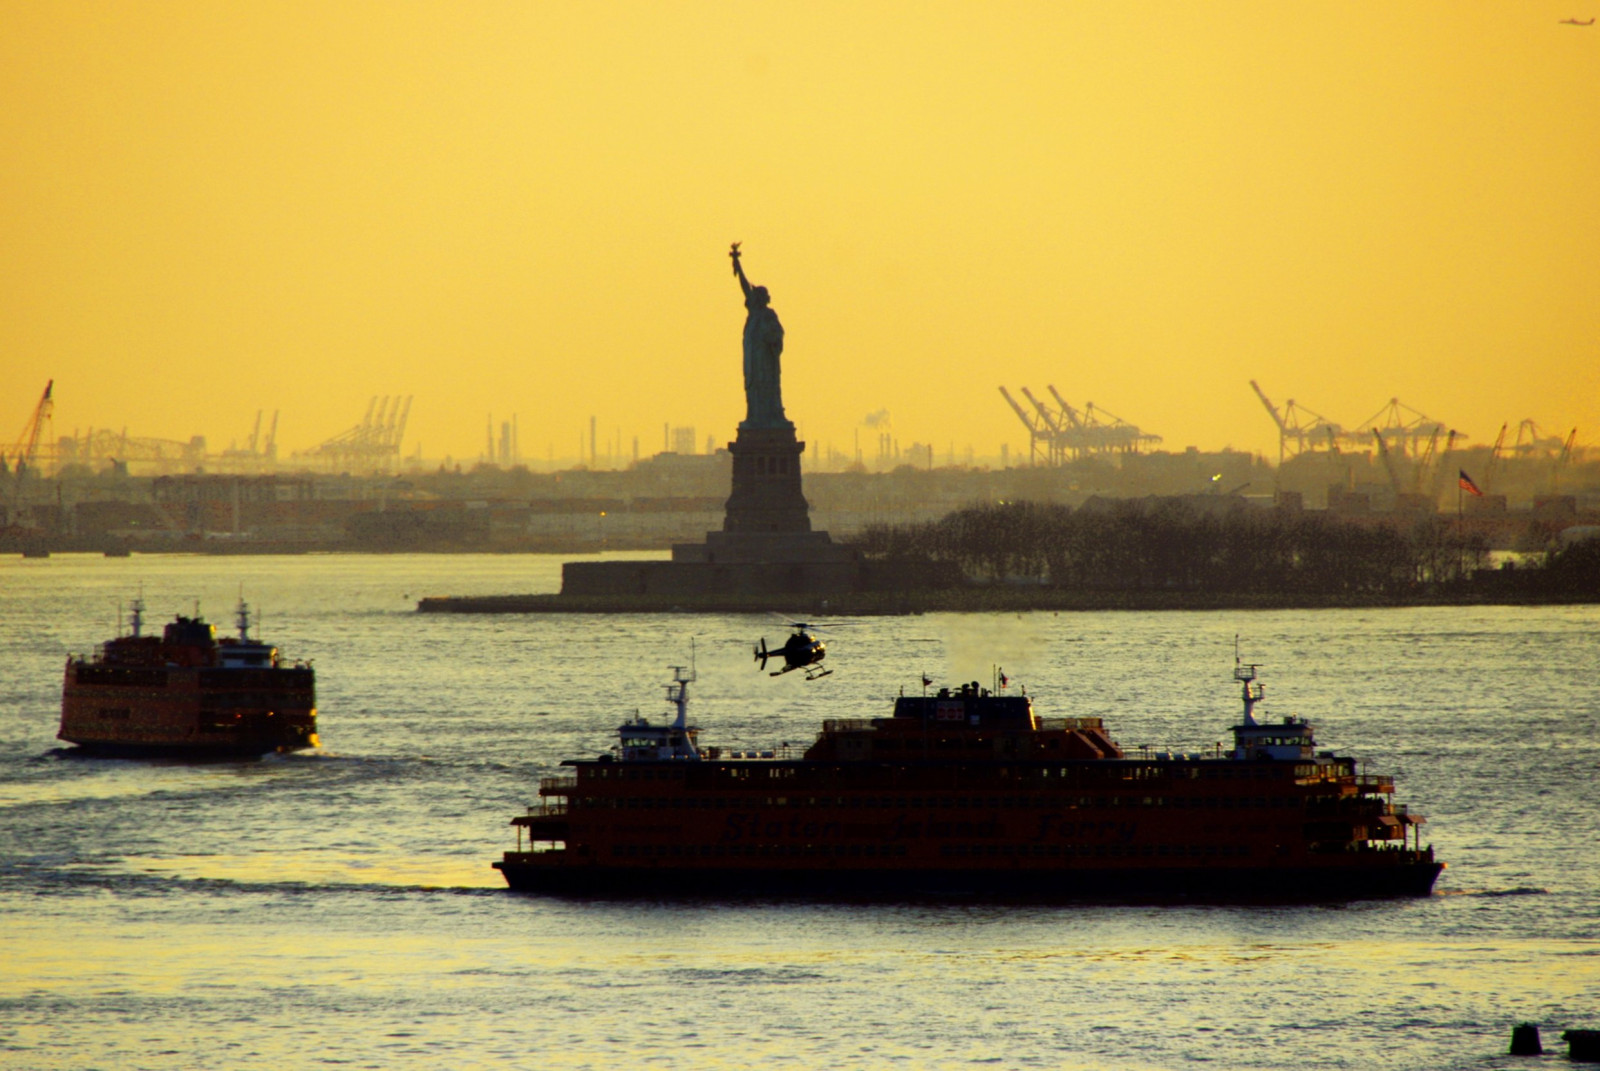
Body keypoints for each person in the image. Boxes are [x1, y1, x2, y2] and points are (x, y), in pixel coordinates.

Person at [730, 243, 788, 428]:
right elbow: (745, 286)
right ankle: (754, 417)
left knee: (768, 390)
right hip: (753, 363)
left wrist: (772, 340)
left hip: (766, 365)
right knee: (753, 390)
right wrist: (737, 264)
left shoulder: (769, 316)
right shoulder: (754, 313)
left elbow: (778, 336)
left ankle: (772, 416)